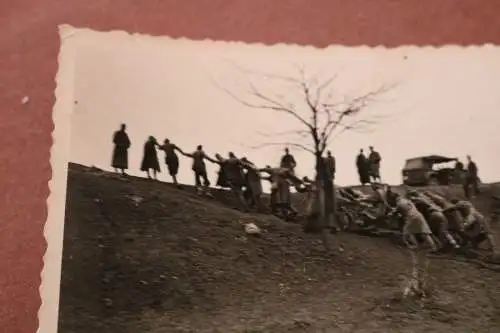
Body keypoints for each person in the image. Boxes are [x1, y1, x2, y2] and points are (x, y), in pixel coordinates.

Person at [386, 189, 437, 297]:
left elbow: (396, 211)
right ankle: (429, 246)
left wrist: (391, 213)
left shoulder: (399, 202)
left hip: (412, 218)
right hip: (418, 216)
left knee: (406, 234)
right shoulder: (405, 201)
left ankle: (416, 247)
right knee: (423, 232)